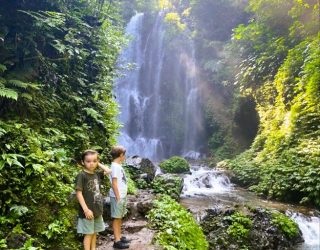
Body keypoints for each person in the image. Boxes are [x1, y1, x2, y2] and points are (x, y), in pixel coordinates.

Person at [75, 149, 111, 250]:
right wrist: (86, 209)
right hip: (88, 212)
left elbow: (108, 171)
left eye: (94, 161)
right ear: (82, 162)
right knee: (88, 234)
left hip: (97, 210)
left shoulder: (97, 174)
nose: (91, 164)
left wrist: (97, 163)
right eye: (88, 161)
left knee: (94, 233)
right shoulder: (82, 175)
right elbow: (78, 193)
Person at [109, 145, 130, 249]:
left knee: (119, 217)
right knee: (116, 218)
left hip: (121, 196)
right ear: (121, 155)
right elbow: (114, 183)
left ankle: (119, 237)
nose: (125, 157)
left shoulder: (117, 165)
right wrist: (118, 197)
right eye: (124, 155)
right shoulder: (115, 166)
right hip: (118, 197)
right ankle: (116, 241)